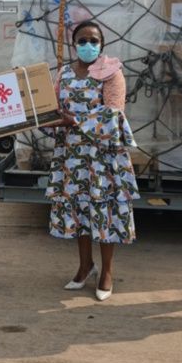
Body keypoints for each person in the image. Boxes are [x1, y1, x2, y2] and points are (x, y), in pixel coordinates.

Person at [44, 20, 138, 301]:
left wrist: (75, 121)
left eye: (93, 40)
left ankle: (107, 271)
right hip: (71, 155)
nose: (88, 45)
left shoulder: (111, 72)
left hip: (103, 156)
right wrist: (43, 119)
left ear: (102, 44)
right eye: (82, 40)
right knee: (78, 211)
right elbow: (52, 109)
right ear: (74, 44)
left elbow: (114, 113)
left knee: (104, 210)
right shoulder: (64, 73)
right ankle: (85, 266)